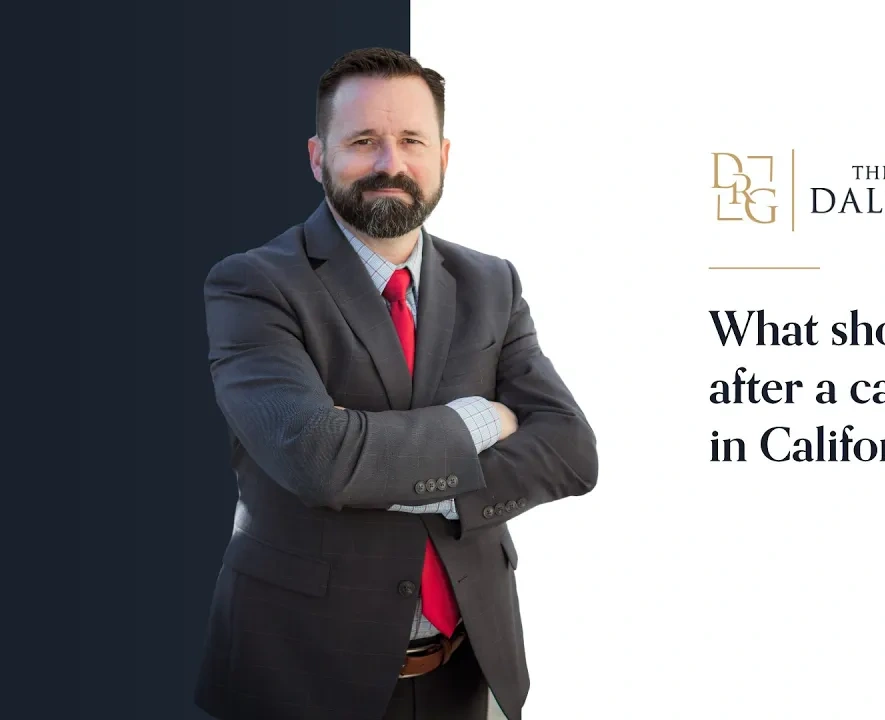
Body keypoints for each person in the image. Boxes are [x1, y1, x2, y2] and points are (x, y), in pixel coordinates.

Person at [193, 47, 598, 720]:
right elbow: (319, 458)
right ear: (318, 157)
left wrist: (401, 475)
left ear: (442, 155)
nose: (391, 164)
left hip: (468, 669)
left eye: (411, 140)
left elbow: (572, 452)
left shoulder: (491, 283)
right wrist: (483, 420)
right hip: (301, 676)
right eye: (362, 141)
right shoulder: (253, 285)